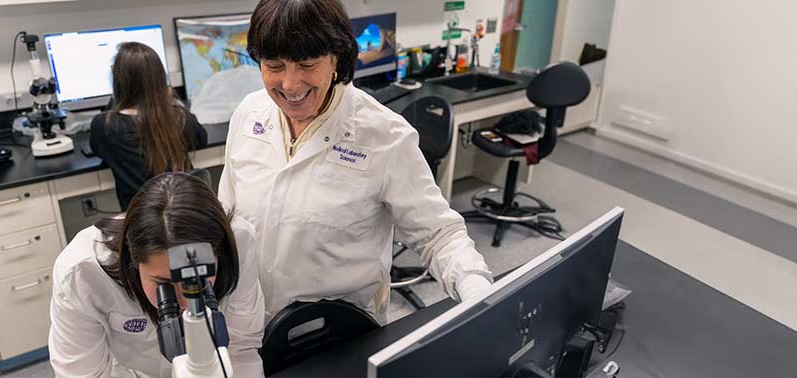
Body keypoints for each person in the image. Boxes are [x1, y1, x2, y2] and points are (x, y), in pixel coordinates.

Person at [219, 0, 493, 325]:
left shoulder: (383, 135)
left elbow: (438, 234)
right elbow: (226, 215)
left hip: (335, 332)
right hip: (245, 324)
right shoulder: (249, 114)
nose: (290, 85)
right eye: (274, 66)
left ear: (337, 58)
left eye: (307, 64)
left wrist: (477, 293)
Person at [49, 173, 265, 377]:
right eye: (164, 284)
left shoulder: (238, 243)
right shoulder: (81, 274)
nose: (183, 302)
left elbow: (240, 349)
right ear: (133, 262)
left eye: (199, 281)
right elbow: (84, 374)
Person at [90, 42, 207, 211]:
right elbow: (201, 139)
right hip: (187, 218)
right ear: (161, 80)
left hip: (143, 226)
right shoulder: (180, 117)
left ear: (118, 82)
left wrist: (117, 97)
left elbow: (97, 149)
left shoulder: (105, 126)